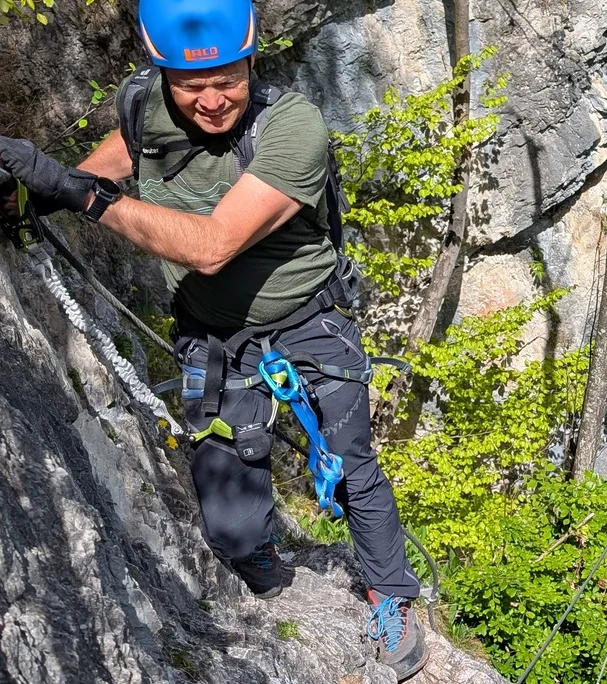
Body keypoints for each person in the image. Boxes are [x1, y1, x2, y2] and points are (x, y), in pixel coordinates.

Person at [0, 0, 426, 678]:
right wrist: (35, 190)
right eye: (191, 85)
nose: (211, 101)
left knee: (348, 461)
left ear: (252, 59)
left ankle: (391, 594)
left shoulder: (291, 128)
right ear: (160, 71)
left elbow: (213, 246)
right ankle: (255, 553)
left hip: (310, 319)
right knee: (229, 516)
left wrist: (80, 197)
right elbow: (116, 160)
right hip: (215, 331)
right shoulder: (145, 103)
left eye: (226, 79)